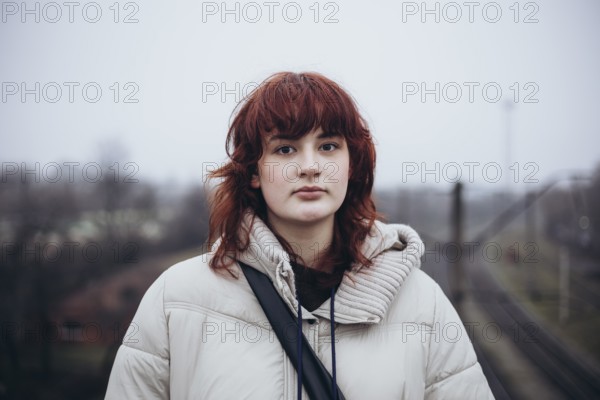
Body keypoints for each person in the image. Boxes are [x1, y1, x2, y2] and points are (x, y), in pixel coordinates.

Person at [105, 71, 494, 399]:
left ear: (351, 165)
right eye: (286, 149)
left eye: (328, 146)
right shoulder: (177, 300)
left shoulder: (422, 305)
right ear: (254, 172)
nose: (310, 167)